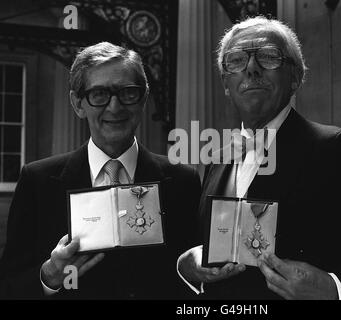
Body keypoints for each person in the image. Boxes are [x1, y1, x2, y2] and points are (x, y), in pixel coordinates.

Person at [177, 17, 341, 300]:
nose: (251, 68)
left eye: (268, 57)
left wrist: (337, 288)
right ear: (226, 84)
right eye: (236, 61)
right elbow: (209, 248)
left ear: (296, 77)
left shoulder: (336, 149)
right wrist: (187, 265)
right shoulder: (219, 158)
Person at [0, 42, 201, 299]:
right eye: (99, 94)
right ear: (78, 103)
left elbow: (194, 282)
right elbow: (7, 287)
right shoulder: (37, 181)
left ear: (144, 98)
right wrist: (49, 276)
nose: (115, 107)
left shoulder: (183, 181)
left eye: (128, 92)